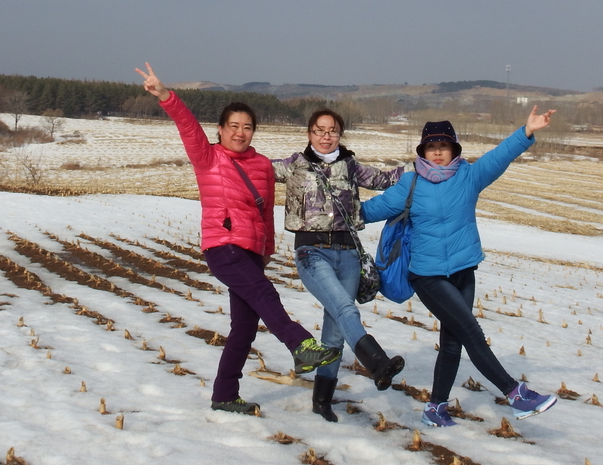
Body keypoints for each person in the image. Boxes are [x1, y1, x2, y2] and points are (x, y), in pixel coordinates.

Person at [136, 63, 340, 415]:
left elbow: (264, 214)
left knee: (244, 328)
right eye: (234, 127)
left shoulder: (261, 165)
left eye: (247, 127)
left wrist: (266, 252)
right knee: (265, 295)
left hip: (249, 253)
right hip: (222, 246)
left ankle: (224, 395)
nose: (240, 133)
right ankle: (300, 344)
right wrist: (165, 95)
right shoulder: (208, 157)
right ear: (221, 129)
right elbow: (187, 125)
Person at [361, 108, 559, 426]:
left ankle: (435, 408)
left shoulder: (469, 177)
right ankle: (515, 393)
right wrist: (325, 214)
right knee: (471, 331)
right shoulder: (410, 184)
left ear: (454, 149)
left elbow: (498, 156)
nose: (437, 152)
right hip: (428, 275)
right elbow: (370, 210)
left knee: (453, 342)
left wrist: (526, 132)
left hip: (464, 271)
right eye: (431, 146)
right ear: (423, 151)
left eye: (444, 145)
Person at [271, 109, 406, 422]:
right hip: (311, 252)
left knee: (334, 332)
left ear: (340, 134)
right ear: (309, 133)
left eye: (332, 130)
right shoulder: (293, 166)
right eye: (319, 130)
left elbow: (388, 180)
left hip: (347, 254)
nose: (326, 135)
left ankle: (322, 401)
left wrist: (428, 169)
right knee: (347, 310)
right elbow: (250, 169)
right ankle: (376, 363)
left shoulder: (351, 166)